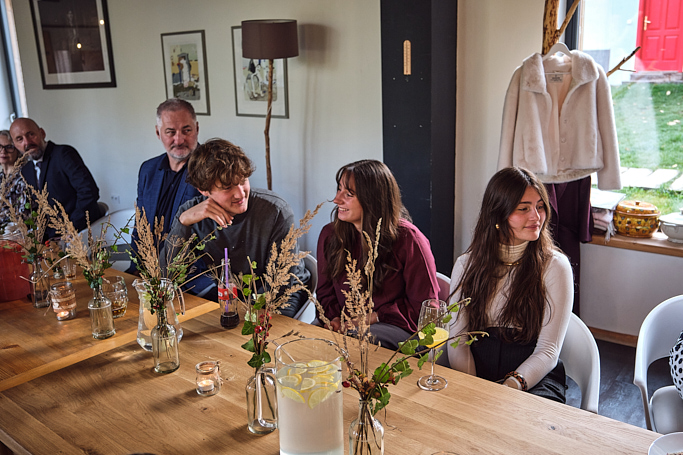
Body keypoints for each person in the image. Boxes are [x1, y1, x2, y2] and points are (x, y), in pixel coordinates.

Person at [447, 167, 573, 403]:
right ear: (498, 215)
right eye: (523, 209)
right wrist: (471, 390)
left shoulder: (555, 266)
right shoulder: (466, 265)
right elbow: (458, 341)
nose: (536, 216)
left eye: (540, 206)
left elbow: (548, 350)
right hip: (475, 369)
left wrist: (510, 386)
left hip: (533, 375)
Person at [161, 138, 310, 317]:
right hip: (230, 296)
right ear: (203, 190)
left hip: (281, 296)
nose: (240, 194)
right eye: (227, 187)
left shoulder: (276, 211)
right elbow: (166, 276)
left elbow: (280, 288)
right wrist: (183, 223)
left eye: (243, 181)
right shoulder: (191, 214)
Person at [316, 159, 439, 351]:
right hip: (346, 327)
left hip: (397, 327)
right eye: (339, 189)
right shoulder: (330, 235)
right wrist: (335, 320)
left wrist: (372, 317)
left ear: (372, 200)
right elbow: (325, 293)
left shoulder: (409, 239)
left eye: (348, 194)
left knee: (355, 344)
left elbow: (426, 309)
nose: (336, 200)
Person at [127, 98, 201, 275]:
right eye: (170, 132)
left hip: (190, 276)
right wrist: (135, 270)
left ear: (197, 129)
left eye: (187, 130)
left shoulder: (211, 169)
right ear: (158, 133)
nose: (179, 139)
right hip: (148, 271)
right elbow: (140, 226)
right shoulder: (148, 169)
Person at [11, 118, 103, 239]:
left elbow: (89, 192)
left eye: (31, 134)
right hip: (52, 237)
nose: (27, 142)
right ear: (15, 145)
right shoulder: (26, 170)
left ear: (42, 133)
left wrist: (70, 228)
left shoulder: (64, 154)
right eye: (20, 139)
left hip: (82, 232)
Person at [0, 130, 31, 230]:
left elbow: (23, 216)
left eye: (9, 147)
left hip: (18, 234)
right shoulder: (1, 177)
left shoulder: (25, 176)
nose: (3, 151)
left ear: (17, 150)